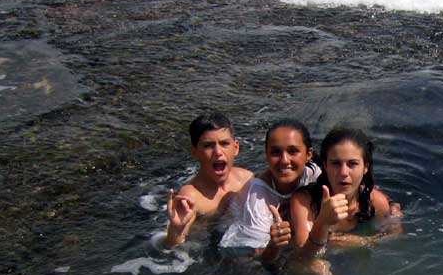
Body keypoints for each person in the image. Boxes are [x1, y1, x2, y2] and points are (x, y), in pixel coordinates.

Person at [217, 119, 321, 263]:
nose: (284, 160)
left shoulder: (315, 175)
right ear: (266, 155)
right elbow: (257, 260)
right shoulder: (258, 198)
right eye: (276, 152)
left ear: (308, 154)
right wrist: (274, 245)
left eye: (293, 151)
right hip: (238, 244)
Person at [290, 127, 401, 257]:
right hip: (316, 262)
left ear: (365, 167)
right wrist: (322, 222)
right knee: (317, 268)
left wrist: (363, 241)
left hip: (355, 259)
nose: (343, 172)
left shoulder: (376, 201)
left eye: (352, 164)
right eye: (336, 163)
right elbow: (304, 257)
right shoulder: (305, 202)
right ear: (325, 165)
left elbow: (394, 233)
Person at [165, 111, 252, 247]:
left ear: (236, 148)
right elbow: (172, 247)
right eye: (208, 145)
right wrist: (176, 229)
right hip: (207, 248)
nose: (218, 152)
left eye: (224, 143)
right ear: (195, 152)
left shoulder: (246, 179)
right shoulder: (191, 197)